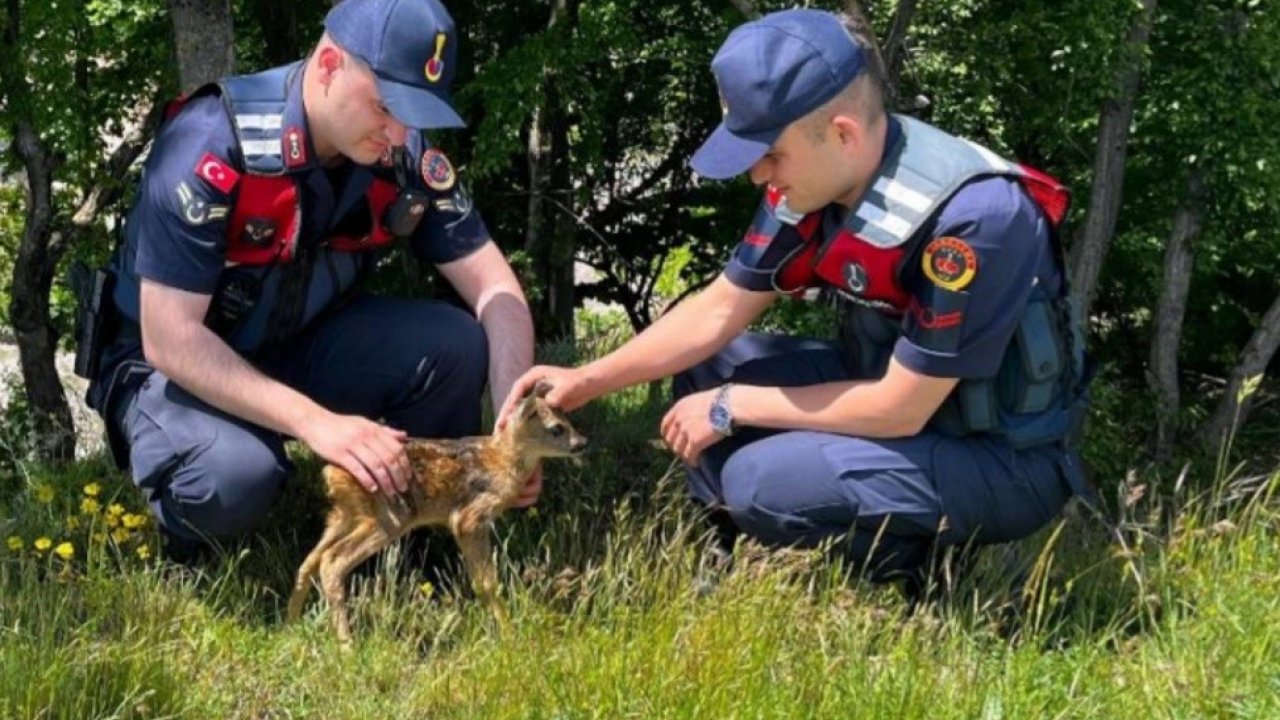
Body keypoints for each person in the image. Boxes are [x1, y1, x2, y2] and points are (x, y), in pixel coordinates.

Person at [499, 9, 1091, 585]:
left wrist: (731, 405)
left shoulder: (974, 220)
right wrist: (588, 378)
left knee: (762, 481)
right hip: (889, 391)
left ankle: (916, 577)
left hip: (996, 454)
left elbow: (900, 408)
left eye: (771, 154)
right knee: (707, 368)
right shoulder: (815, 182)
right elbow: (718, 310)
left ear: (843, 133)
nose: (759, 176)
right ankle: (731, 548)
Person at [81, 0, 539, 550]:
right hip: (172, 367)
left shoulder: (402, 154)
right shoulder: (209, 143)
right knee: (234, 478)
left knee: (456, 344)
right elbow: (169, 339)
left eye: (416, 114)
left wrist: (515, 430)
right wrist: (318, 424)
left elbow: (496, 289)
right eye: (386, 105)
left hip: (301, 340)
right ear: (328, 65)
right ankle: (191, 550)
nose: (400, 134)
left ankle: (411, 545)